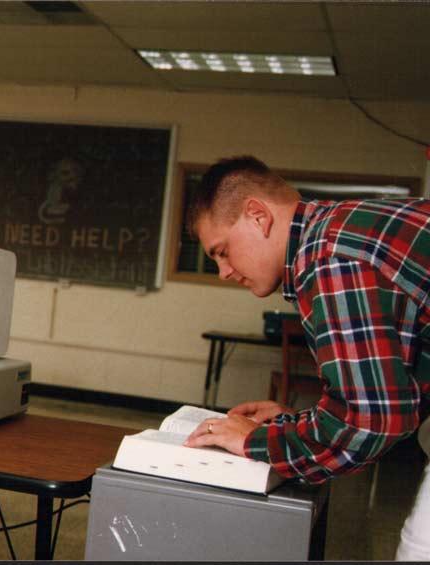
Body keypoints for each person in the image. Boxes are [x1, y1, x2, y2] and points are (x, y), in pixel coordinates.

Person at [182, 156, 429, 560]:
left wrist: (256, 441)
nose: (224, 272)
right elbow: (400, 395)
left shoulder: (331, 256)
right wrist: (296, 425)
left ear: (258, 216)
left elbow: (370, 422)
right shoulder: (340, 228)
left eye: (222, 252)